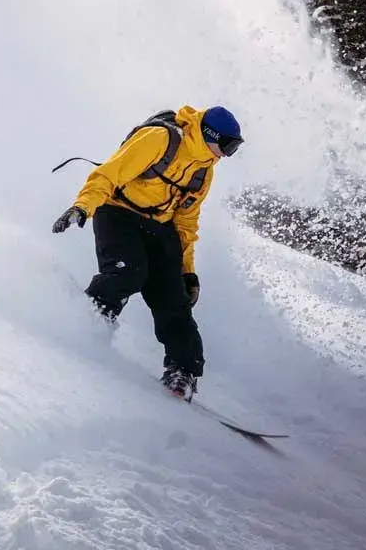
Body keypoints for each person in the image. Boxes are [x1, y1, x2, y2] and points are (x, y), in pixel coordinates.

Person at [52, 105, 243, 401]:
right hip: (118, 211)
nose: (228, 155)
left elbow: (185, 223)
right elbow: (108, 174)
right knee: (129, 272)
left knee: (174, 297)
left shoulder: (204, 171)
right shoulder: (159, 139)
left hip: (159, 225)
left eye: (235, 148)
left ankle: (183, 369)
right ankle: (90, 319)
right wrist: (83, 207)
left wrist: (187, 272)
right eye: (228, 146)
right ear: (210, 135)